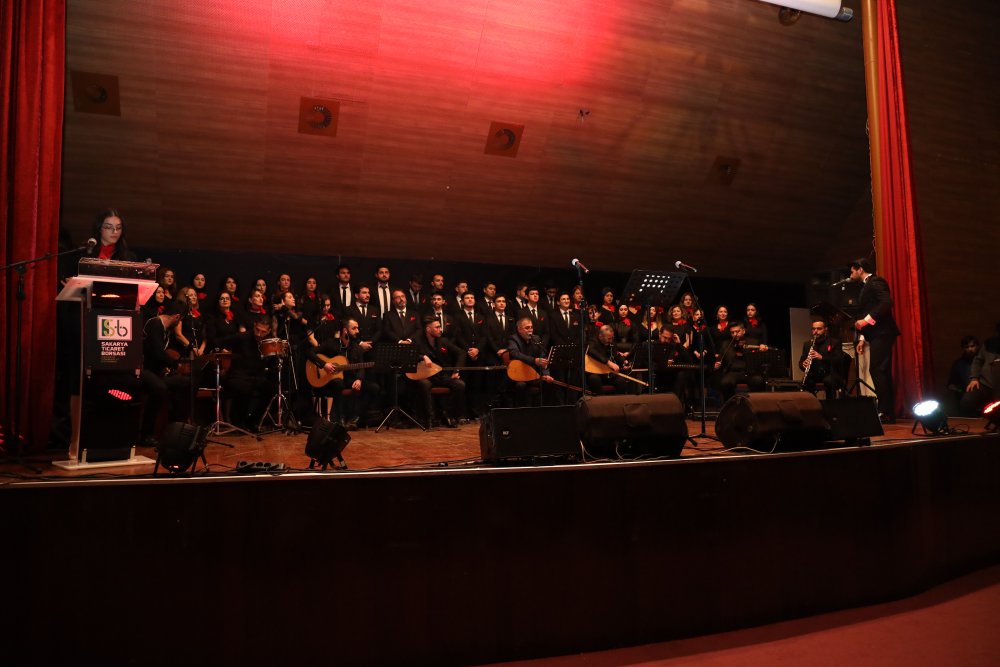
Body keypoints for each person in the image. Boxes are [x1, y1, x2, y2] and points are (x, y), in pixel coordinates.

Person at [849, 257, 900, 422]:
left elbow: (886, 303)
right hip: (876, 333)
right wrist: (862, 338)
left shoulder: (876, 281)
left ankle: (885, 411)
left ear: (860, 269)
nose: (851, 274)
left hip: (883, 332)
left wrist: (865, 321)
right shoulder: (866, 286)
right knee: (880, 370)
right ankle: (887, 411)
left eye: (852, 271)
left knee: (878, 370)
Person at [307, 317, 380, 429]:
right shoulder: (331, 343)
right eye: (354, 328)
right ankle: (339, 419)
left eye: (357, 328)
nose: (357, 331)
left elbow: (361, 367)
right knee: (339, 383)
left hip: (350, 379)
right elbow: (310, 352)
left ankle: (355, 418)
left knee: (374, 388)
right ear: (345, 330)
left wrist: (359, 379)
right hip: (330, 380)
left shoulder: (356, 348)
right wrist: (324, 364)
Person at [139, 299, 191, 446]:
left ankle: (177, 429)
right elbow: (157, 354)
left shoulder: (164, 330)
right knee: (159, 388)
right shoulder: (155, 324)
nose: (180, 323)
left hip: (155, 371)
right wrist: (174, 364)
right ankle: (146, 434)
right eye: (180, 320)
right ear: (177, 317)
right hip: (143, 369)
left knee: (185, 382)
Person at [411, 317, 466, 428]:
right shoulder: (417, 340)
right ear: (428, 329)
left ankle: (449, 415)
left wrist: (456, 370)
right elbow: (410, 354)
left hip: (442, 376)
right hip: (425, 375)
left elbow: (461, 353)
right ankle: (428, 418)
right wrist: (423, 356)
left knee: (460, 384)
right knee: (424, 384)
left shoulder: (443, 341)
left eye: (440, 327)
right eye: (437, 327)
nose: (440, 329)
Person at [506, 317, 555, 406]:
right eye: (527, 328)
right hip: (519, 375)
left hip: (533, 375)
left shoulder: (536, 339)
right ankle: (522, 411)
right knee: (521, 386)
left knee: (549, 384)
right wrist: (533, 360)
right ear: (519, 330)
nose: (530, 330)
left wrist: (546, 374)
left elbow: (543, 358)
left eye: (531, 327)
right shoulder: (513, 339)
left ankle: (543, 410)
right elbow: (515, 354)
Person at [715, 321, 768, 402]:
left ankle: (754, 403)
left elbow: (760, 359)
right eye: (732, 332)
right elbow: (720, 359)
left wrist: (762, 350)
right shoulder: (726, 344)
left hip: (749, 372)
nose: (735, 334)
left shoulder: (753, 342)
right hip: (733, 373)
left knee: (758, 380)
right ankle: (730, 404)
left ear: (743, 331)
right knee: (725, 382)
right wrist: (717, 364)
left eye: (737, 331)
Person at [798, 319, 846, 397]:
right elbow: (801, 361)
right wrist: (803, 364)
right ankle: (813, 403)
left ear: (825, 329)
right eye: (813, 329)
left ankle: (830, 403)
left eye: (819, 329)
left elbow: (839, 359)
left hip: (830, 373)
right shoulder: (808, 344)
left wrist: (822, 357)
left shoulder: (834, 342)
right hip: (815, 374)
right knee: (806, 382)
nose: (815, 331)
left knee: (829, 381)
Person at [962, 325, 1000, 417]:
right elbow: (977, 361)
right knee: (967, 402)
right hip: (985, 383)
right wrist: (974, 378)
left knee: (996, 412)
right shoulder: (989, 343)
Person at [586, 325, 631, 395]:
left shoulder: (611, 343)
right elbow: (591, 351)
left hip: (609, 373)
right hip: (596, 373)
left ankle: (616, 401)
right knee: (594, 379)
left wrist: (623, 362)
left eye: (612, 338)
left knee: (621, 381)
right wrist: (608, 362)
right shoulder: (593, 341)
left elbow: (615, 355)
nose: (611, 340)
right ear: (600, 336)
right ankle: (601, 401)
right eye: (609, 338)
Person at [945, 335, 981, 416]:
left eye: (972, 346)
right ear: (963, 348)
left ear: (977, 346)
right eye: (967, 347)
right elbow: (951, 383)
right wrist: (960, 390)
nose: (970, 349)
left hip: (983, 398)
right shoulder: (959, 364)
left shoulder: (984, 362)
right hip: (966, 401)